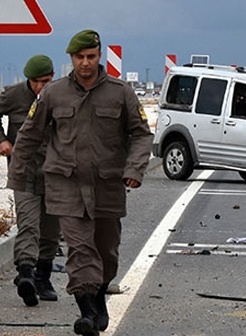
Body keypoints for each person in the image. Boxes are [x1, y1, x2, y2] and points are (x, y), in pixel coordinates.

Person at [7, 29, 153, 336]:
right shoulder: (54, 93)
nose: (85, 63)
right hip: (66, 184)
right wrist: (17, 176)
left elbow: (141, 134)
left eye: (90, 57)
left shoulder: (121, 92)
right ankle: (86, 311)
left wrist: (135, 168)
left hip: (107, 185)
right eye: (79, 57)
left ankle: (98, 294)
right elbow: (30, 134)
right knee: (79, 247)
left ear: (99, 56)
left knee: (106, 249)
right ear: (71, 58)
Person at [0, 54, 61, 307]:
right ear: (29, 80)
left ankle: (43, 277)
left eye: (46, 81)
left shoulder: (61, 96)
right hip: (23, 173)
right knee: (28, 225)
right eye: (36, 82)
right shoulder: (13, 95)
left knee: (50, 230)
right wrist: (2, 140)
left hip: (55, 174)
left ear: (53, 78)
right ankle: (25, 274)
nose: (41, 87)